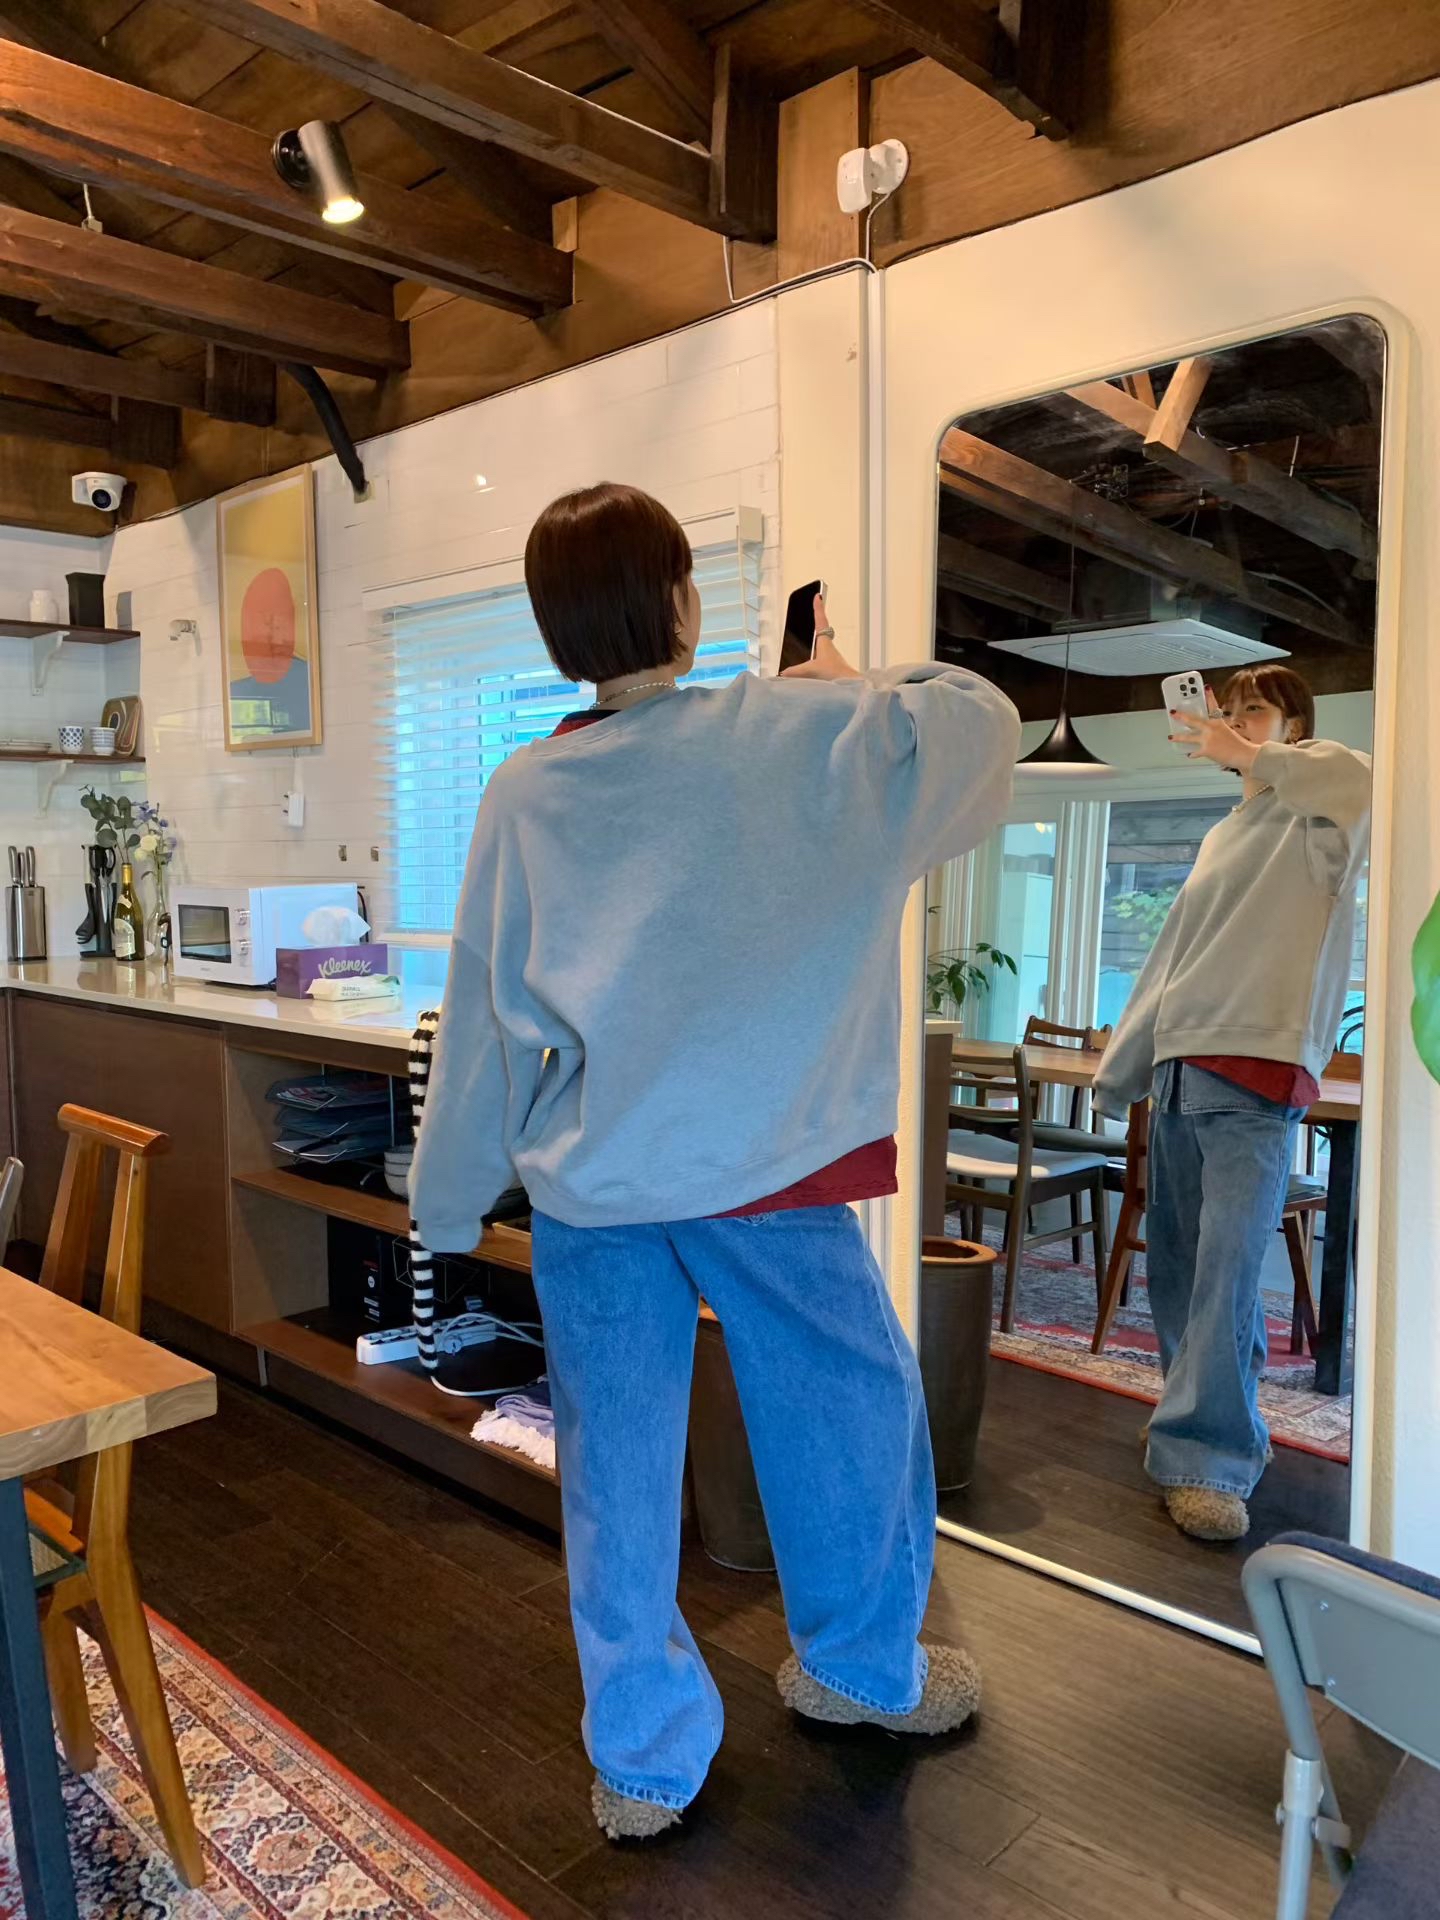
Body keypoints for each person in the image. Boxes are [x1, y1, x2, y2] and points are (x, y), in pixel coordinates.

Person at [411, 482, 1020, 1839]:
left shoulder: (525, 791)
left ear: (557, 633)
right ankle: (863, 1672)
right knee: (846, 1415)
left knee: (615, 1473)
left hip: (595, 1189)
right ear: (685, 600)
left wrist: (443, 1203)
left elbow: (485, 1014)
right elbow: (984, 721)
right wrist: (851, 682)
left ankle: (642, 1762)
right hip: (770, 1174)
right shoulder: (805, 734)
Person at [1094, 665, 1371, 1543]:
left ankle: (1209, 1457)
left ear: (1296, 724)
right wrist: (1124, 1068)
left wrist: (1253, 753)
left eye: (1258, 710)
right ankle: (1206, 1428)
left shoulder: (1320, 818)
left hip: (1258, 1072)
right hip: (1182, 1067)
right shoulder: (1224, 834)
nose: (1238, 722)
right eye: (1230, 711)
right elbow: (1174, 957)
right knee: (1181, 1268)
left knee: (1226, 1272)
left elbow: (1362, 777)